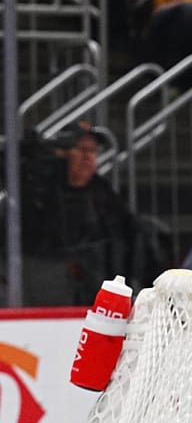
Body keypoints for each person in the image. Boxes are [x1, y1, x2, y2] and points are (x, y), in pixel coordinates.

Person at [17, 125, 140, 306]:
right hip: (47, 288)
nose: (88, 157)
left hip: (95, 292)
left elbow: (127, 237)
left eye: (93, 150)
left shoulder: (103, 193)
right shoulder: (42, 191)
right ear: (63, 154)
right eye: (81, 149)